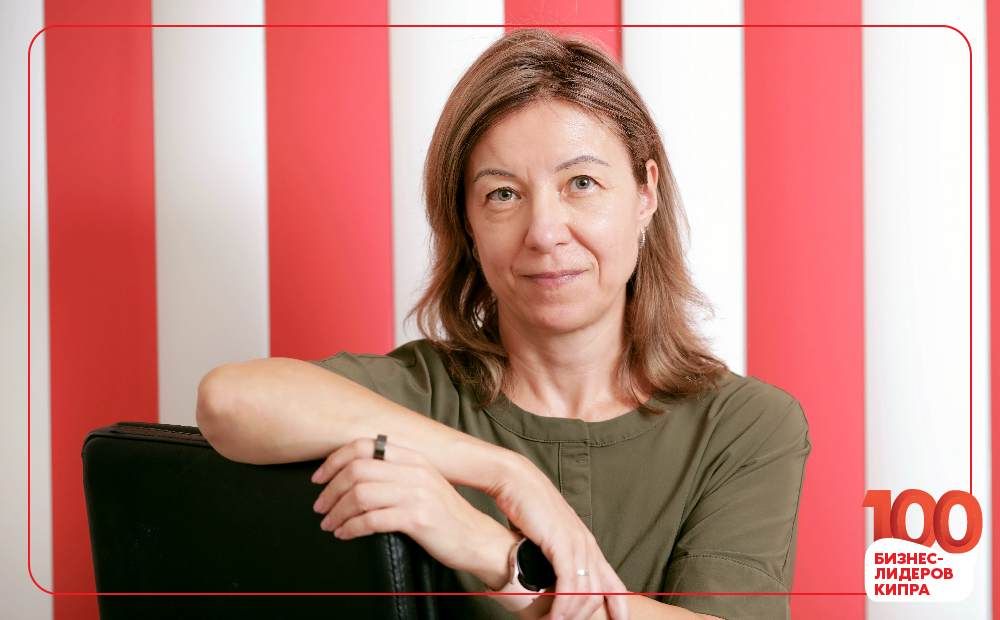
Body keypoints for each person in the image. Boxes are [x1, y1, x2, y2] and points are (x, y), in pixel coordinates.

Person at [196, 28, 810, 620]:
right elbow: (229, 402)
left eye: (581, 183)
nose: (544, 232)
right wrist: (508, 476)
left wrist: (498, 555)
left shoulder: (743, 426)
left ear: (644, 194)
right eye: (503, 194)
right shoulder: (424, 395)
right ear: (466, 221)